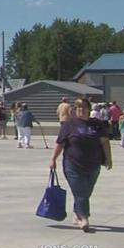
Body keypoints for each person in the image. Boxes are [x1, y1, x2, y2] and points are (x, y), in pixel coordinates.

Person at [49, 98, 113, 232]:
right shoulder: (69, 124)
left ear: (89, 109)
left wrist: (109, 159)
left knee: (86, 192)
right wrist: (53, 159)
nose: (81, 110)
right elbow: (60, 143)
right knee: (80, 192)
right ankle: (84, 218)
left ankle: (77, 213)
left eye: (83, 107)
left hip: (93, 164)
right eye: (78, 107)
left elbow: (105, 142)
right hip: (72, 164)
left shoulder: (96, 124)